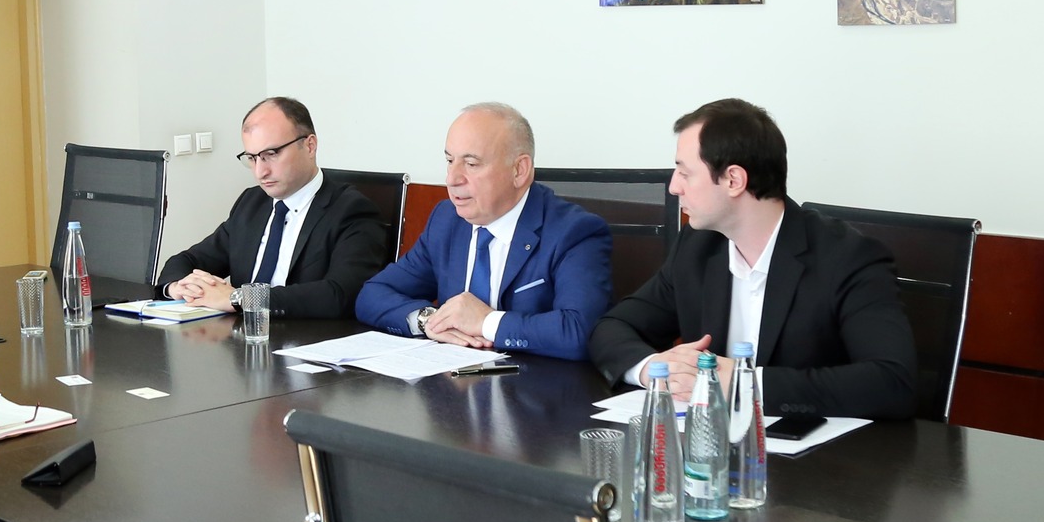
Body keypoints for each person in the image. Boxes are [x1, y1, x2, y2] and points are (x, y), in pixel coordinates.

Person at [588, 98, 918, 419]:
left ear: (733, 180)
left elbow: (892, 382)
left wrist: (745, 385)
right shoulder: (698, 247)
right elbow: (613, 327)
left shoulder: (849, 258)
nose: (674, 187)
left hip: (821, 451)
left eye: (685, 173)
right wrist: (654, 369)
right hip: (709, 441)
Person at [356, 103, 612, 362]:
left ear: (519, 170)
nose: (452, 178)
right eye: (450, 161)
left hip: (534, 382)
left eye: (471, 163)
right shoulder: (447, 220)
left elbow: (580, 332)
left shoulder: (573, 232)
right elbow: (373, 294)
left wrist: (486, 322)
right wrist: (430, 320)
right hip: (450, 378)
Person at [157, 97, 391, 319]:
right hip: (243, 338)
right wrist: (180, 287)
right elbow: (186, 260)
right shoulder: (252, 202)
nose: (261, 172)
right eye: (252, 158)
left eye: (271, 154)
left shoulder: (352, 210)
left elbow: (341, 294)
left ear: (309, 146)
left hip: (306, 339)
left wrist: (240, 298)